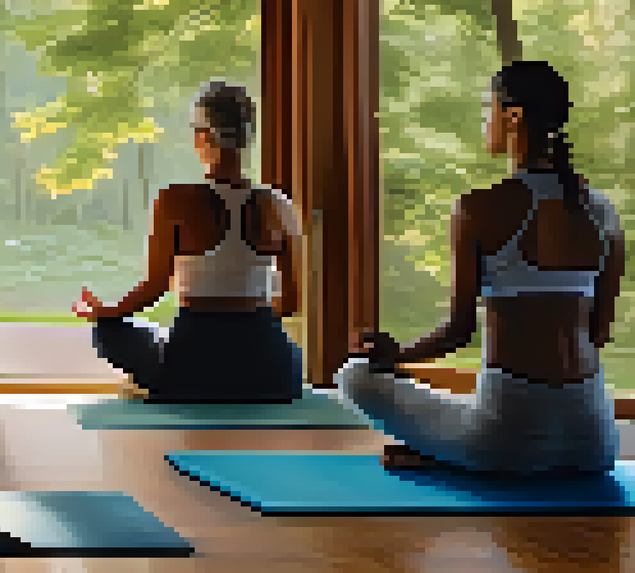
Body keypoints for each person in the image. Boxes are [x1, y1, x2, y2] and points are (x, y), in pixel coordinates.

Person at [336, 60, 624, 477]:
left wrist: (394, 356)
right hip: (595, 441)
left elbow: (458, 332)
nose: (484, 119)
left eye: (488, 108)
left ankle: (449, 455)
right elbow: (598, 333)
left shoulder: (478, 207)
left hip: (508, 443)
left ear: (513, 116)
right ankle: (452, 448)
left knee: (354, 376)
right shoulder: (603, 212)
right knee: (473, 409)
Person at [73, 80, 305, 402]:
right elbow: (292, 303)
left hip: (190, 366)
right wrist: (245, 325)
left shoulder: (174, 200)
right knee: (288, 351)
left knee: (107, 333)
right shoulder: (280, 206)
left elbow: (154, 289)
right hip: (270, 373)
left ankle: (180, 382)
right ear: (246, 138)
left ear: (203, 136)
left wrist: (103, 312)